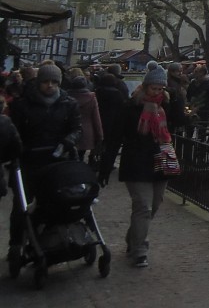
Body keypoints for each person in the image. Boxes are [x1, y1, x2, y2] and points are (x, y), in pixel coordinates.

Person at [98, 63, 175, 269]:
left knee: (155, 205)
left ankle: (133, 239)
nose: (158, 92)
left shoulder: (165, 107)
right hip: (136, 162)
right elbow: (115, 138)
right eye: (154, 88)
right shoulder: (130, 107)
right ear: (146, 86)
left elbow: (174, 128)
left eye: (161, 89)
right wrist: (105, 167)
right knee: (143, 206)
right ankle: (140, 250)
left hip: (160, 161)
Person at [6, 64, 82, 262]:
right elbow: (15, 132)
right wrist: (18, 151)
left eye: (54, 82)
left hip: (57, 161)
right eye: (46, 82)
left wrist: (68, 142)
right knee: (21, 205)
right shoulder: (23, 104)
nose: (50, 86)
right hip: (29, 161)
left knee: (55, 201)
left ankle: (48, 238)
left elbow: (76, 128)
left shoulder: (68, 103)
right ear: (39, 82)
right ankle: (16, 242)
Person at [65, 75, 104, 166]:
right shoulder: (91, 98)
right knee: (81, 156)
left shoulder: (66, 96)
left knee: (69, 155)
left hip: (69, 130)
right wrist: (100, 135)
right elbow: (96, 118)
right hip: (86, 131)